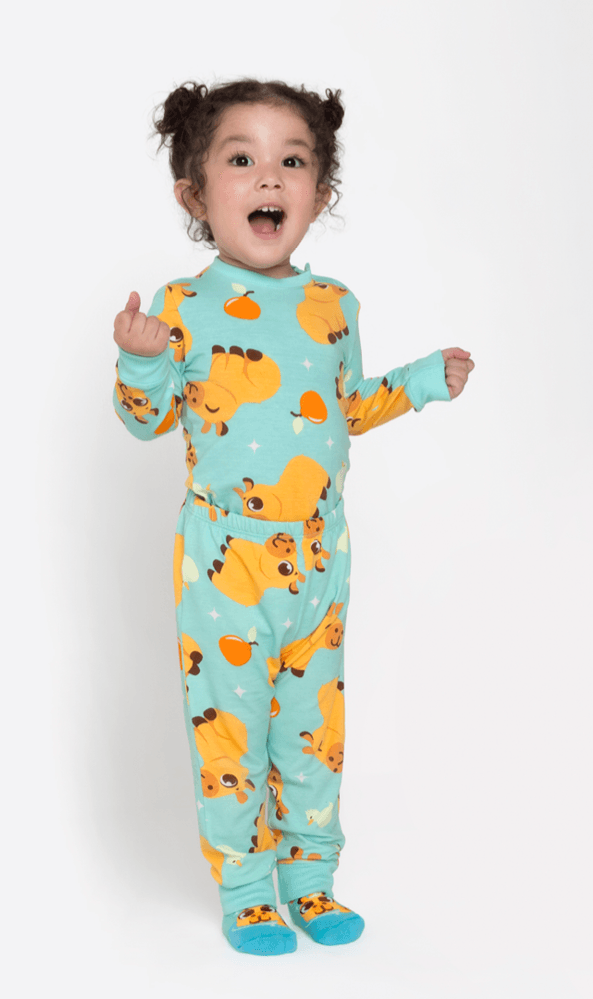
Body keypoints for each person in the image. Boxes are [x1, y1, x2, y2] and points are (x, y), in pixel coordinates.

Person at [112, 79, 474, 956]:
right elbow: (145, 421)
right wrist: (140, 361)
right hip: (224, 564)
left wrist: (420, 381)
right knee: (232, 732)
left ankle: (311, 880)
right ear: (196, 196)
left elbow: (345, 409)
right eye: (241, 159)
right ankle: (247, 890)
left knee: (315, 730)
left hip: (319, 559)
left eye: (293, 161)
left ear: (320, 191)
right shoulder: (182, 306)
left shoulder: (334, 307)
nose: (269, 177)